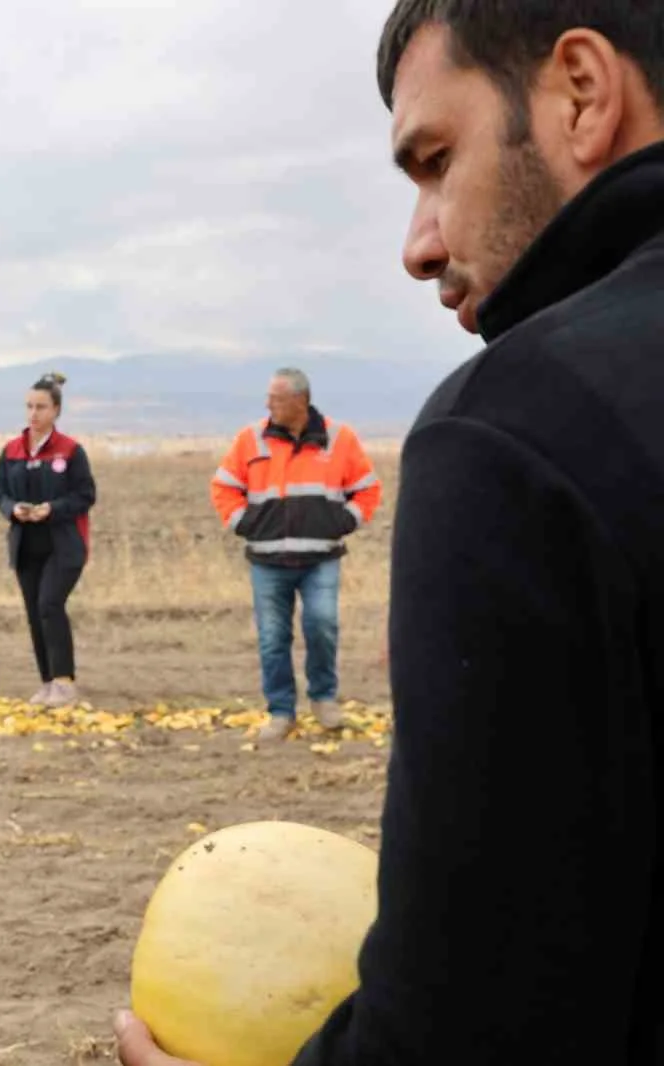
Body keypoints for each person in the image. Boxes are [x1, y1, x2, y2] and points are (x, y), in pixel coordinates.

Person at [118, 1, 664, 1063]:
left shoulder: (518, 431)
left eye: (434, 158)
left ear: (582, 93)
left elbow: (474, 1015)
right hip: (269, 560)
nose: (419, 244)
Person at [209, 369, 382, 742]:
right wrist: (244, 523)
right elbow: (224, 486)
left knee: (322, 626)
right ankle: (281, 712)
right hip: (267, 561)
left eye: (276, 398)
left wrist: (342, 521)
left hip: (321, 558)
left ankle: (323, 699)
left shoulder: (339, 439)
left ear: (300, 402)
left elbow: (368, 489)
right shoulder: (251, 439)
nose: (268, 404)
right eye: (269, 397)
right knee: (273, 639)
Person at [0, 372, 96, 708]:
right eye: (29, 407)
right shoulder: (12, 451)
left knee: (50, 604)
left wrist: (52, 509)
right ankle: (47, 682)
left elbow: (86, 495)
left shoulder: (70, 451)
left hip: (64, 546)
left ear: (56, 411)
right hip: (26, 546)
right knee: (35, 611)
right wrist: (14, 509)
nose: (33, 413)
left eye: (41, 407)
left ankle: (65, 683)